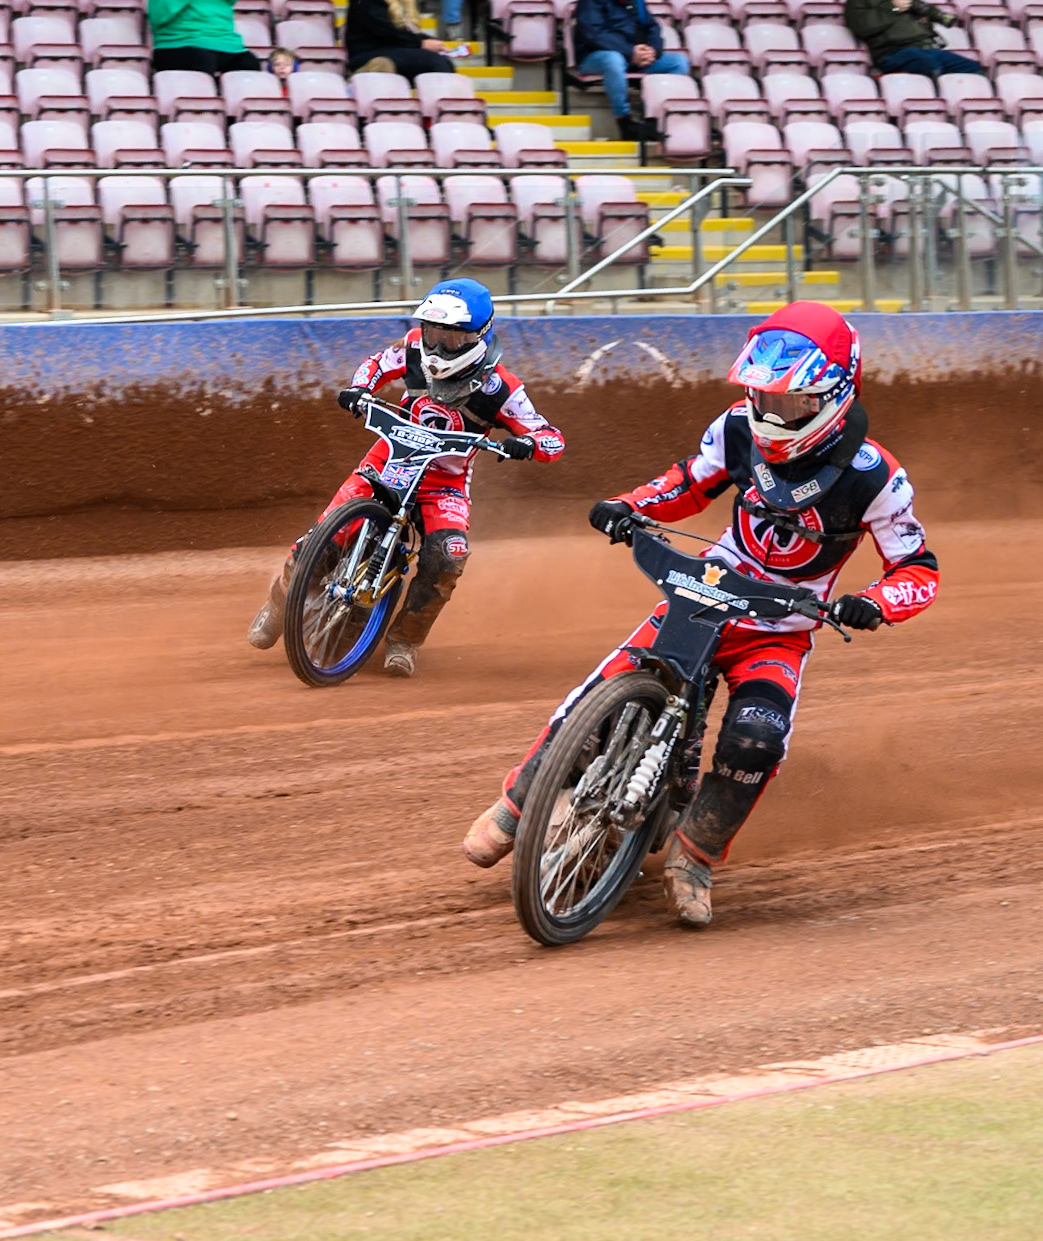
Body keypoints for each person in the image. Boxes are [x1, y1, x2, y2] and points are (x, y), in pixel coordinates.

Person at [463, 303, 940, 927]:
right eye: (761, 397)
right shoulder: (737, 428)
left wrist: (874, 603)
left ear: (832, 396)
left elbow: (918, 568)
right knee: (608, 685)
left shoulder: (876, 477)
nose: (770, 414)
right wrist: (630, 506)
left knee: (755, 740)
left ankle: (695, 856)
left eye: (788, 403)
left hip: (778, 629)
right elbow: (690, 483)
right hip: (704, 591)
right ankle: (519, 804)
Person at [247, 279, 565, 677]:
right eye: (433, 333)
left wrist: (527, 444)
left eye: (452, 337)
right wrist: (359, 388)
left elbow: (552, 438)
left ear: (478, 336)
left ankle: (405, 640)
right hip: (388, 458)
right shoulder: (413, 347)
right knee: (325, 536)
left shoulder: (502, 389)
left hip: (443, 485)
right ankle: (279, 605)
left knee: (448, 555)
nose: (439, 346)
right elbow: (377, 364)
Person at [572, 0, 689, 142]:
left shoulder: (637, 2)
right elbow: (593, 34)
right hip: (594, 56)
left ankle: (655, 119)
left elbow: (652, 27)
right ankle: (624, 121)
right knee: (613, 60)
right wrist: (630, 52)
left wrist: (652, 51)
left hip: (634, 56)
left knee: (678, 62)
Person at [845, 0, 983, 78]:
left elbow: (928, 12)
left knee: (972, 68)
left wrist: (927, 21)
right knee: (928, 64)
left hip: (926, 48)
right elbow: (862, 27)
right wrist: (893, 9)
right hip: (892, 52)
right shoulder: (856, 2)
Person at [346, 0, 459, 78]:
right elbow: (386, 31)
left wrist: (433, 43)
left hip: (394, 50)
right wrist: (421, 44)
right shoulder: (367, 2)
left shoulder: (400, 3)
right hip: (369, 52)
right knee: (435, 62)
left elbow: (405, 33)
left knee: (441, 60)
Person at [149, 0, 260, 76]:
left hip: (227, 43)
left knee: (249, 64)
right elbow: (159, 16)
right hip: (179, 42)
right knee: (202, 61)